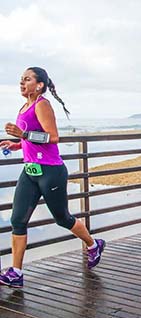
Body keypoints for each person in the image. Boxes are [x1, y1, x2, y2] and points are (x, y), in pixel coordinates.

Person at [0, 67, 105, 288]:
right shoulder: (24, 106)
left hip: (50, 171)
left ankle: (93, 244)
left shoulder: (42, 104)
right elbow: (31, 139)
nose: (22, 83)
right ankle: (16, 272)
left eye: (27, 79)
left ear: (39, 85)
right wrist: (18, 144)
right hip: (30, 171)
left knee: (62, 218)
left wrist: (23, 135)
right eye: (21, 79)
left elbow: (53, 137)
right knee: (17, 220)